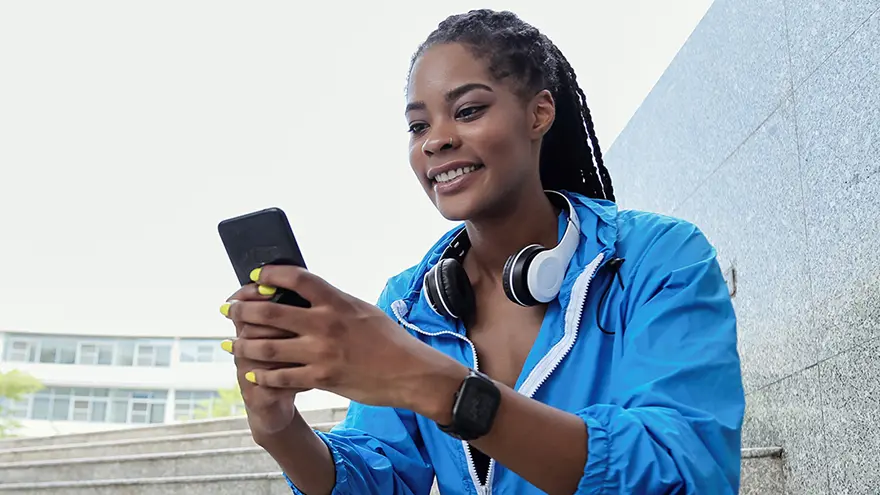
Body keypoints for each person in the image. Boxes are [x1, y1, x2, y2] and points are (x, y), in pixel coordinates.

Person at [218, 9, 745, 495]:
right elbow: (379, 478)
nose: (435, 141)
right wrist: (281, 430)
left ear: (539, 114)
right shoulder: (408, 304)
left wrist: (433, 384)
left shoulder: (659, 257)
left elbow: (682, 469)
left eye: (467, 111)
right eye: (418, 126)